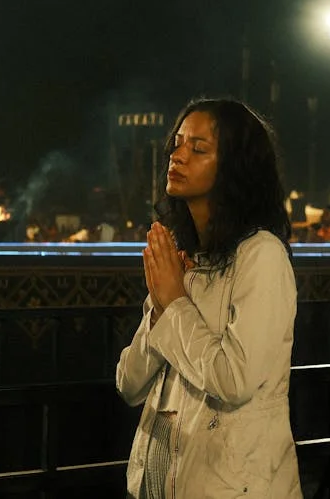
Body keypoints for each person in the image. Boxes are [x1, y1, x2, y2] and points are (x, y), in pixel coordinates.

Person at [116, 98, 302, 498]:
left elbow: (233, 381)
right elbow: (128, 384)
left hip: (232, 487)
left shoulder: (261, 255)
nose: (178, 156)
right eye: (177, 144)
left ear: (235, 166)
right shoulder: (185, 259)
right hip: (159, 482)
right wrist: (161, 308)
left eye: (198, 149)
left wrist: (174, 303)